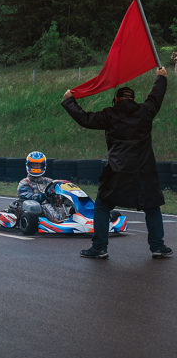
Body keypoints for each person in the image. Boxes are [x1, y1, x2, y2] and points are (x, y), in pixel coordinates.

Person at [62, 68, 172, 259]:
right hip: (144, 170)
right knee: (152, 206)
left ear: (116, 100)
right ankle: (157, 246)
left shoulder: (109, 114)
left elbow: (85, 119)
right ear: (133, 100)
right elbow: (156, 97)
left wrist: (69, 101)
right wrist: (161, 78)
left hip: (117, 170)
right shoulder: (145, 111)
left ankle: (99, 248)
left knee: (103, 206)